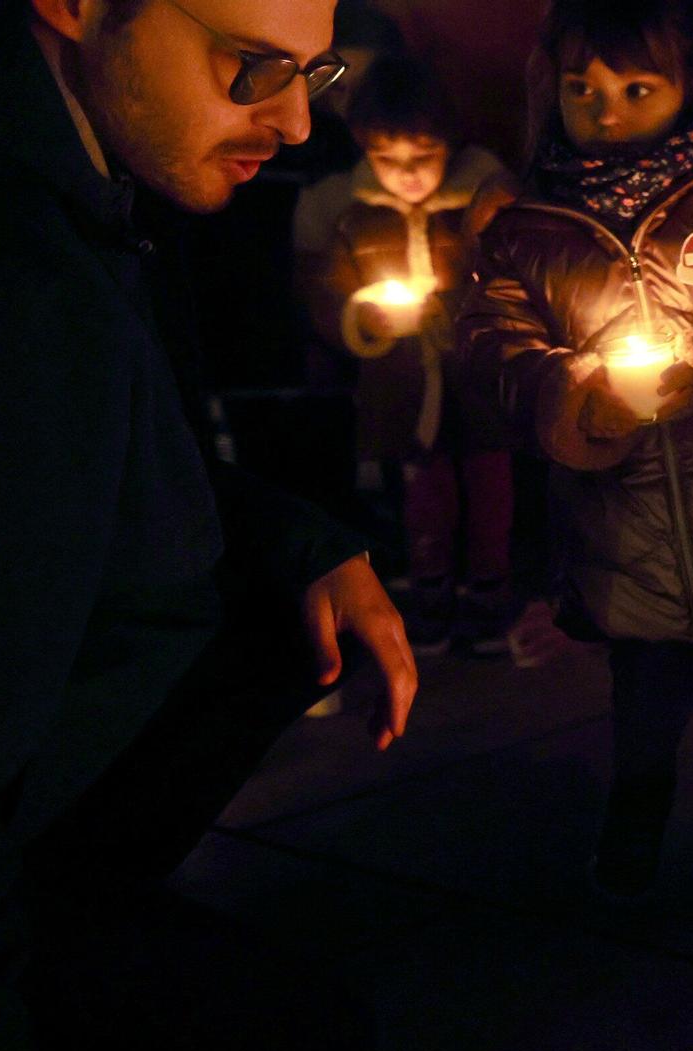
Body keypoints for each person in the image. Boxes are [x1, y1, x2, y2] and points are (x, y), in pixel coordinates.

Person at [0, 0, 420, 1051]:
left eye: (314, 71)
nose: (297, 124)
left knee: (275, 626)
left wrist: (303, 541)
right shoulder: (20, 289)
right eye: (252, 70)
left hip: (71, 756)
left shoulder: (94, 161)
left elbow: (153, 447)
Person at [456, 0, 693, 912]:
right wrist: (572, 390)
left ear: (690, 86)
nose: (607, 110)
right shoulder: (528, 230)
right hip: (620, 526)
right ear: (548, 89)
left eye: (638, 89)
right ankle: (636, 816)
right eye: (582, 89)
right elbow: (489, 341)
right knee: (643, 698)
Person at [298, 57, 518, 656]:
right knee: (424, 488)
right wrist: (366, 316)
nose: (407, 176)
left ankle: (490, 596)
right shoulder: (353, 214)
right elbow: (334, 291)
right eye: (388, 161)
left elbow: (507, 276)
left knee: (490, 480)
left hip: (473, 374)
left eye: (422, 159)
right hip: (400, 378)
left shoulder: (480, 204)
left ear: (450, 146)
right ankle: (430, 592)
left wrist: (459, 304)